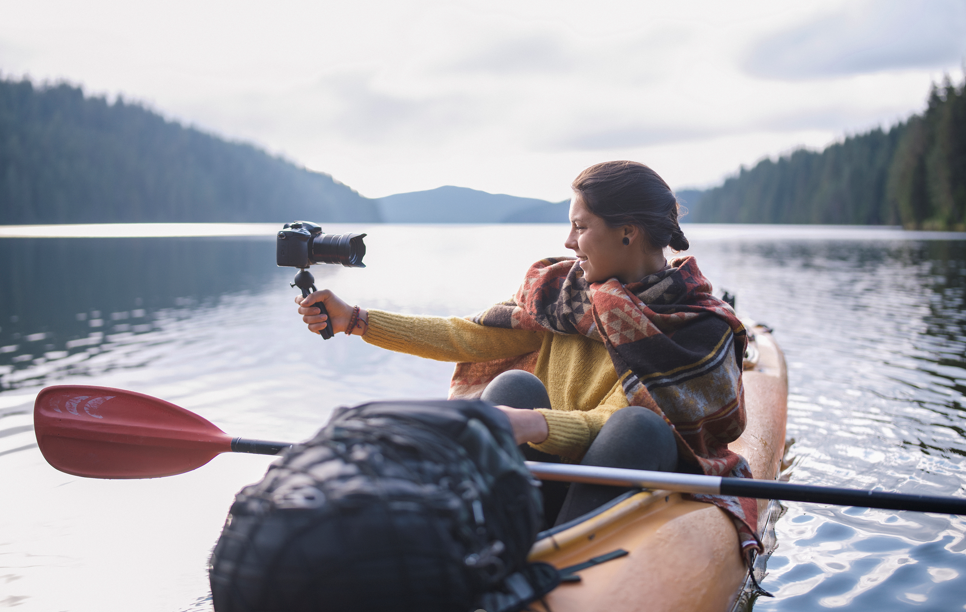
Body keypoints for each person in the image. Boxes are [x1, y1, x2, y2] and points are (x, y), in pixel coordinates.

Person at [296, 160, 760, 557]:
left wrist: (535, 424)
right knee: (513, 389)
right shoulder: (562, 296)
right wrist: (355, 320)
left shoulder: (697, 327)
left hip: (626, 464)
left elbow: (619, 418)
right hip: (551, 463)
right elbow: (465, 338)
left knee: (640, 426)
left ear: (627, 233)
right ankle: (489, 540)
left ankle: (557, 557)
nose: (568, 242)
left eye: (580, 227)